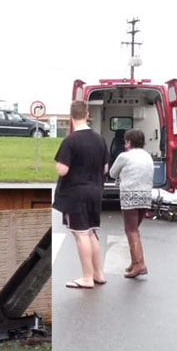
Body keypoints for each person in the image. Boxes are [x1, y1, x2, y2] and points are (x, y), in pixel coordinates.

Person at [53, 100, 109, 289]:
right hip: (96, 190)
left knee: (81, 234)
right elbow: (105, 167)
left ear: (71, 116)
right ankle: (98, 273)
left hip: (75, 193)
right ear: (87, 115)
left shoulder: (70, 141)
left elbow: (62, 170)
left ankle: (86, 277)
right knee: (91, 232)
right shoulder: (99, 139)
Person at [109, 129, 153, 278]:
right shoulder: (147, 156)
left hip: (130, 196)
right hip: (146, 196)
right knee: (135, 229)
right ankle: (135, 262)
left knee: (131, 230)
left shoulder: (124, 156)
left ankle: (140, 264)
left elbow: (112, 173)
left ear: (128, 142)